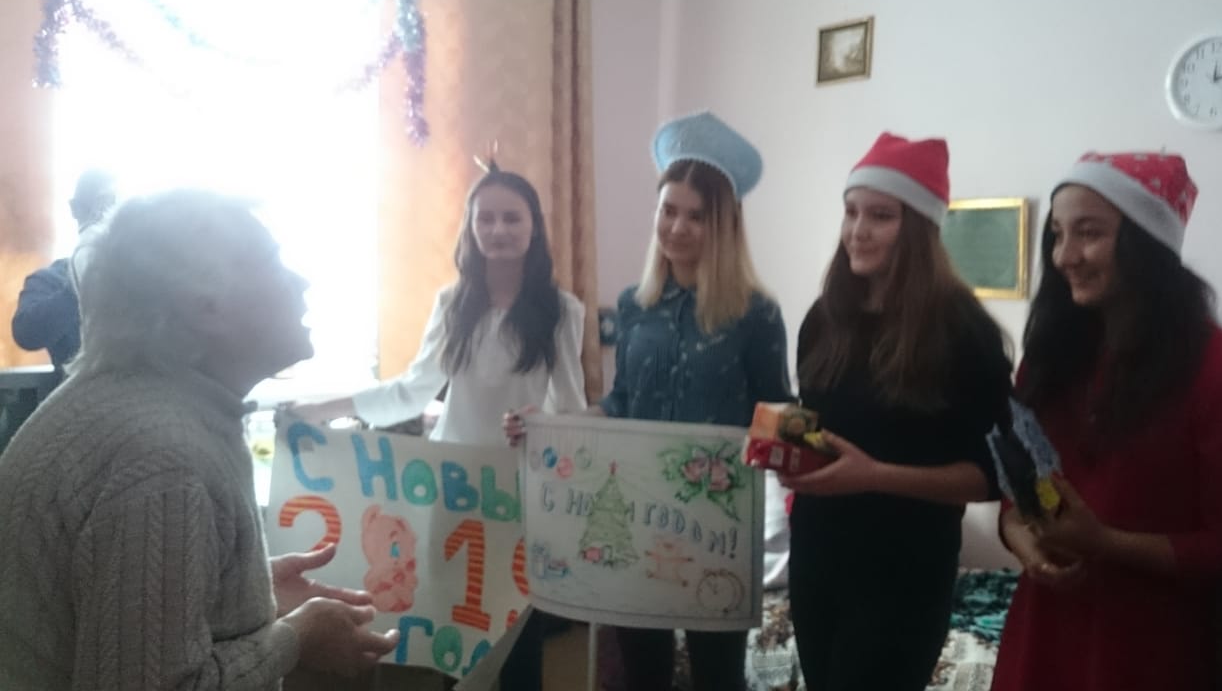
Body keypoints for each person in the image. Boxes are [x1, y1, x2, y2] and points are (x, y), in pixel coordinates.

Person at [0, 190, 400, 689]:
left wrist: (245, 589)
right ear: (206, 306)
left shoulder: (127, 404)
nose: (302, 282)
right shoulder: (162, 459)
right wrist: (295, 637)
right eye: (274, 263)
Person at [508, 110, 792, 691]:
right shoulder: (634, 305)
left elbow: (776, 410)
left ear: (724, 225)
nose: (677, 227)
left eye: (696, 215)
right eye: (668, 210)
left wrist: (784, 455)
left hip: (718, 525)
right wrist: (552, 425)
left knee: (718, 677)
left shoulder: (756, 313)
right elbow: (622, 401)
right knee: (641, 674)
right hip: (636, 517)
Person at [291, 161, 587, 690]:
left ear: (534, 226)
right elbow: (412, 390)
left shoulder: (562, 310)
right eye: (485, 218)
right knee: (459, 625)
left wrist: (543, 422)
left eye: (511, 218)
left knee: (519, 632)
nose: (498, 229)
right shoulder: (453, 304)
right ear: (470, 226)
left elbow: (572, 407)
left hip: (522, 492)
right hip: (454, 491)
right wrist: (321, 410)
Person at [990, 152, 1222, 691]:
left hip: (1152, 652)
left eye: (1089, 233)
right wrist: (1020, 536)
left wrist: (1103, 542)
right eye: (1057, 234)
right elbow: (1016, 495)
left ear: (1148, 244)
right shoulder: (1048, 361)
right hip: (1041, 637)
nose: (1065, 256)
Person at [778, 132, 1012, 690]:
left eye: (880, 216)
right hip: (816, 558)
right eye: (851, 211)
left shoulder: (964, 332)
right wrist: (787, 447)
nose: (857, 230)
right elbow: (822, 429)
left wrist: (875, 476)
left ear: (920, 228)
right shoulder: (825, 319)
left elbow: (995, 476)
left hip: (904, 572)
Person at [11, 169, 115, 373]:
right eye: (100, 205)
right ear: (75, 209)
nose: (105, 215)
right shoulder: (52, 279)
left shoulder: (146, 277)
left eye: (113, 205)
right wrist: (79, 285)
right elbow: (26, 333)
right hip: (84, 388)